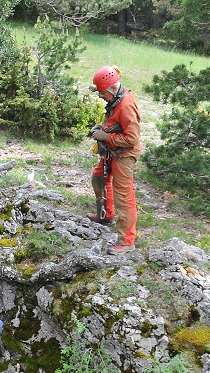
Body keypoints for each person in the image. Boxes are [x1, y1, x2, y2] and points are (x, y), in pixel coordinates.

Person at [87, 65, 142, 254]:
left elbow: (132, 139)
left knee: (124, 197)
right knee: (98, 178)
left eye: (102, 92)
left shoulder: (126, 106)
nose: (100, 96)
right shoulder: (115, 100)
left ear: (111, 88)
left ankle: (127, 242)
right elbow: (114, 123)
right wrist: (101, 129)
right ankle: (105, 215)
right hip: (113, 151)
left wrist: (106, 137)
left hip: (124, 155)